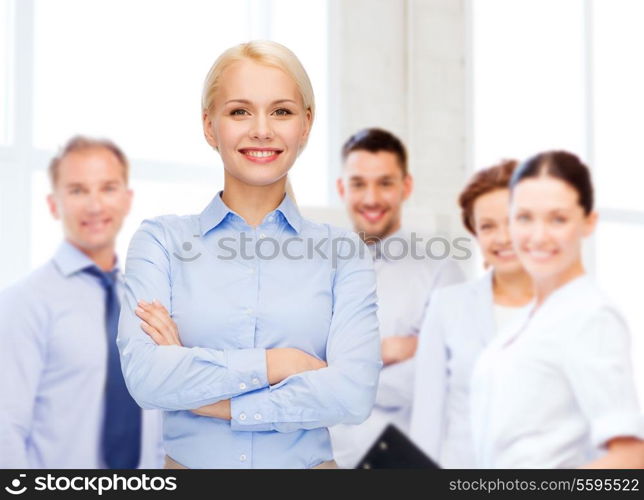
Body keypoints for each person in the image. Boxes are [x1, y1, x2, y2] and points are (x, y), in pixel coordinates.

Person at [116, 41, 382, 469]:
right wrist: (282, 363)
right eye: (240, 111)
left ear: (306, 124)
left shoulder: (343, 253)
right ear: (209, 125)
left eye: (282, 111)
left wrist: (213, 402)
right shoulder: (161, 242)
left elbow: (352, 395)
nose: (262, 129)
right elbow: (148, 380)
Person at [470, 150, 644, 468]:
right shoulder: (528, 320)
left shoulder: (591, 317)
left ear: (589, 222)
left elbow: (631, 458)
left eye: (558, 219)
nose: (538, 236)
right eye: (524, 218)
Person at [0, 136, 164, 468]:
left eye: (108, 188)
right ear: (53, 204)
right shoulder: (24, 303)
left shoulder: (146, 303)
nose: (94, 205)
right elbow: (6, 430)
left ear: (127, 199)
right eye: (77, 190)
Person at [332, 128, 464, 468]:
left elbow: (435, 377)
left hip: (396, 465)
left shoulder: (440, 272)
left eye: (385, 183)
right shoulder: (316, 271)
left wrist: (335, 369)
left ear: (406, 187)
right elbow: (291, 365)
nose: (372, 198)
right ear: (342, 189)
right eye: (359, 183)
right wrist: (384, 351)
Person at [410, 160, 533, 467]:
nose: (502, 238)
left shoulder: (569, 309)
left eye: (513, 221)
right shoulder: (447, 306)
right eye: (487, 226)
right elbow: (428, 419)